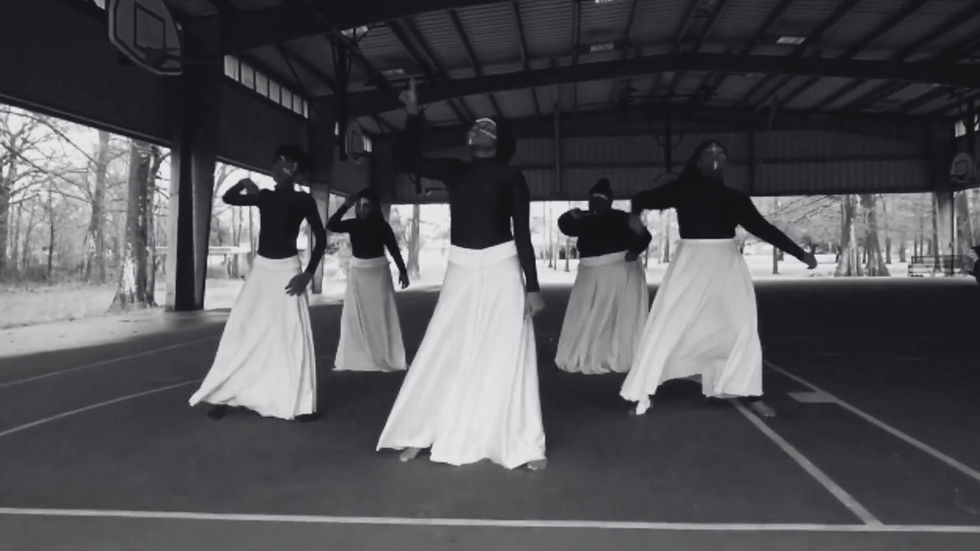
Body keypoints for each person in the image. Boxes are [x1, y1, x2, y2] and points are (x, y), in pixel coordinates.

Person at [376, 79, 547, 471]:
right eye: (475, 127)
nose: (479, 130)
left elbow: (522, 233)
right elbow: (407, 159)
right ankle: (422, 430)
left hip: (502, 266)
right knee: (444, 342)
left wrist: (533, 287)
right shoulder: (455, 170)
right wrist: (412, 115)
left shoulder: (511, 176)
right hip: (461, 267)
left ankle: (522, 442)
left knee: (506, 348)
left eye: (488, 128)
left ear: (500, 142)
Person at [621, 140, 817, 418]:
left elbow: (763, 228)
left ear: (726, 162)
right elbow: (642, 199)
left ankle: (753, 394)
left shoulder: (735, 198)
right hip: (690, 264)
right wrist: (634, 217)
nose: (715, 156)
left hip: (726, 265)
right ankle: (644, 392)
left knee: (741, 325)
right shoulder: (682, 190)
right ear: (698, 161)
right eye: (709, 152)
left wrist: (799, 253)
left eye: (721, 152)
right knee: (668, 323)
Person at [189, 145, 325, 421]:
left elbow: (320, 238)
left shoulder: (302, 200)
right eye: (275, 164)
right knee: (242, 329)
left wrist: (308, 274)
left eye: (283, 164)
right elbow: (228, 198)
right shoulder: (264, 196)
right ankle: (224, 393)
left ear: (294, 170)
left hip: (288, 271)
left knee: (289, 335)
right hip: (261, 271)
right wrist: (242, 183)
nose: (276, 169)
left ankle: (297, 403)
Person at [555, 178, 651, 374]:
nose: (595, 204)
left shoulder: (615, 218)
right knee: (605, 314)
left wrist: (634, 251)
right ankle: (604, 352)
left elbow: (644, 237)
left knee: (599, 314)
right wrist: (575, 213)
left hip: (612, 269)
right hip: (600, 271)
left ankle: (602, 352)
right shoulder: (591, 218)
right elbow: (564, 225)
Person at [328, 188, 409, 372]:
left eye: (365, 206)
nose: (361, 209)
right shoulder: (354, 224)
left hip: (378, 273)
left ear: (373, 207)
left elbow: (394, 250)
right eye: (358, 206)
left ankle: (384, 353)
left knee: (380, 315)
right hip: (358, 272)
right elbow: (332, 225)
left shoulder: (382, 226)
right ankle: (358, 355)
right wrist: (345, 206)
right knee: (354, 315)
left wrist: (403, 272)